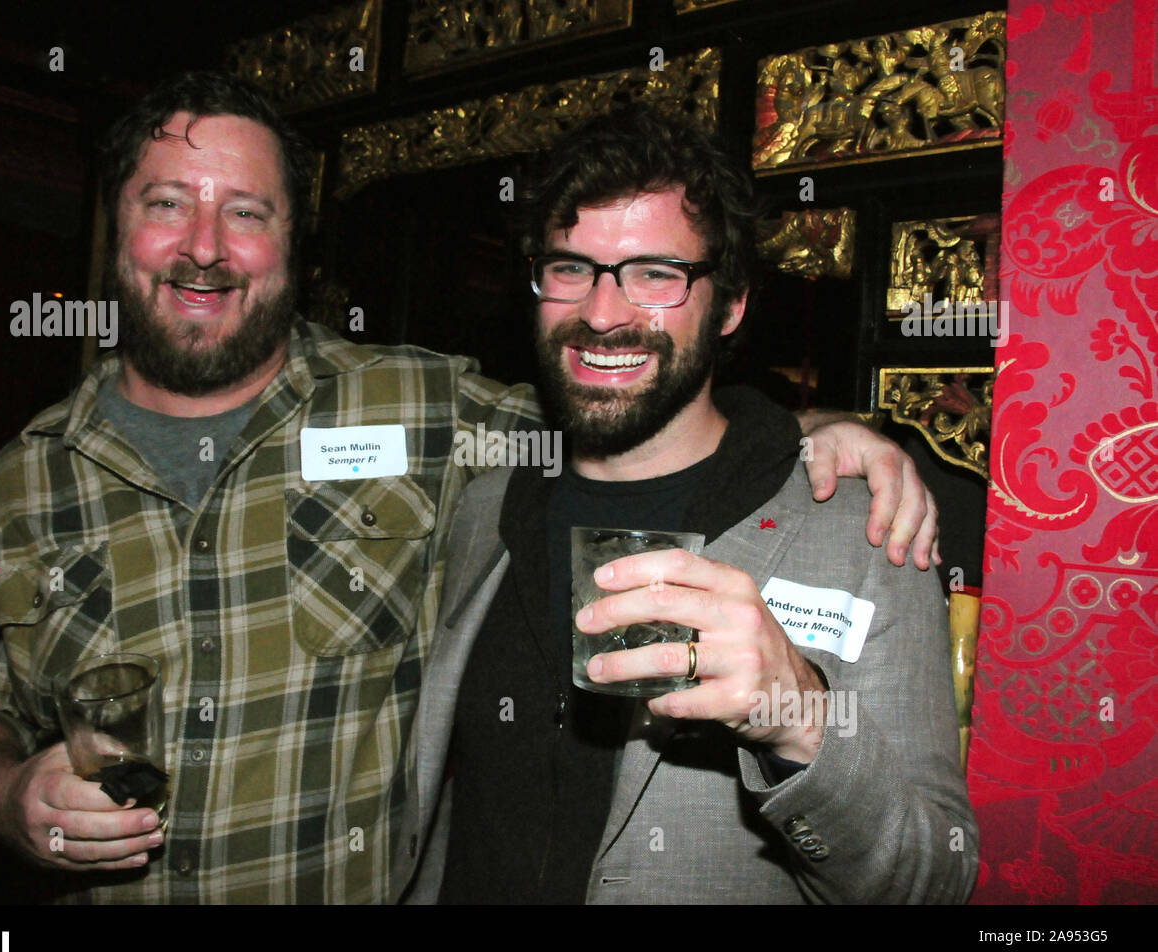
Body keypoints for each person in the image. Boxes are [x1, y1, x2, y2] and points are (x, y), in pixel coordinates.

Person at [0, 72, 939, 904]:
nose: (204, 249)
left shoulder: (426, 417)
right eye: (167, 205)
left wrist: (818, 427)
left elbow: (633, 399)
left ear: (294, 245)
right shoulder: (12, 486)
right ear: (114, 228)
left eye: (246, 212)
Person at [398, 107, 976, 904]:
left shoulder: (864, 530)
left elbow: (932, 878)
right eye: (572, 268)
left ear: (731, 305)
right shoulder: (487, 505)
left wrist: (801, 718)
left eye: (655, 274)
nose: (603, 313)